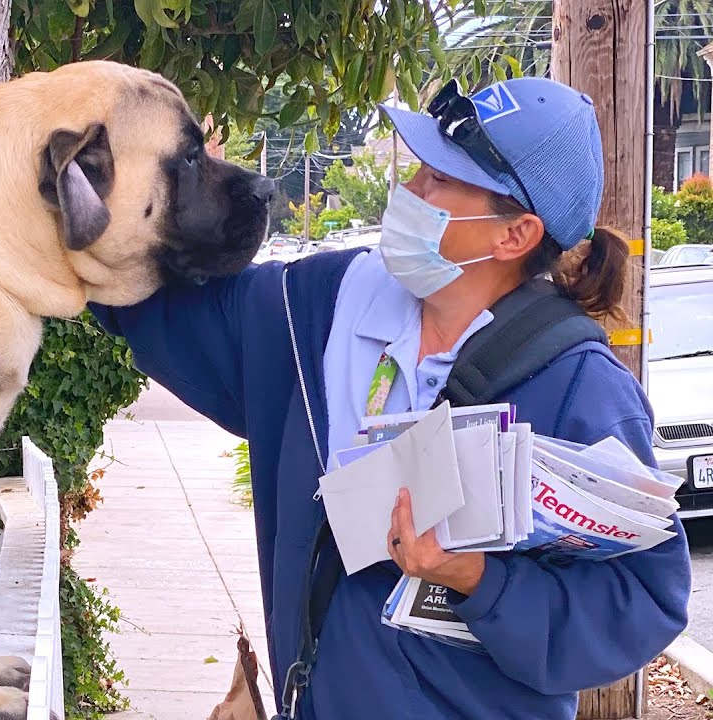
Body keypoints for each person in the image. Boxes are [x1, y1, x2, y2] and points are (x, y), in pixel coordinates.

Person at [91, 77, 691, 719]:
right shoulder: (317, 308)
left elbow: (642, 598)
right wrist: (116, 187)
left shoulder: (580, 388)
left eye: (438, 181)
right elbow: (148, 297)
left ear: (514, 235)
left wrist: (478, 580)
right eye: (420, 169)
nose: (409, 192)